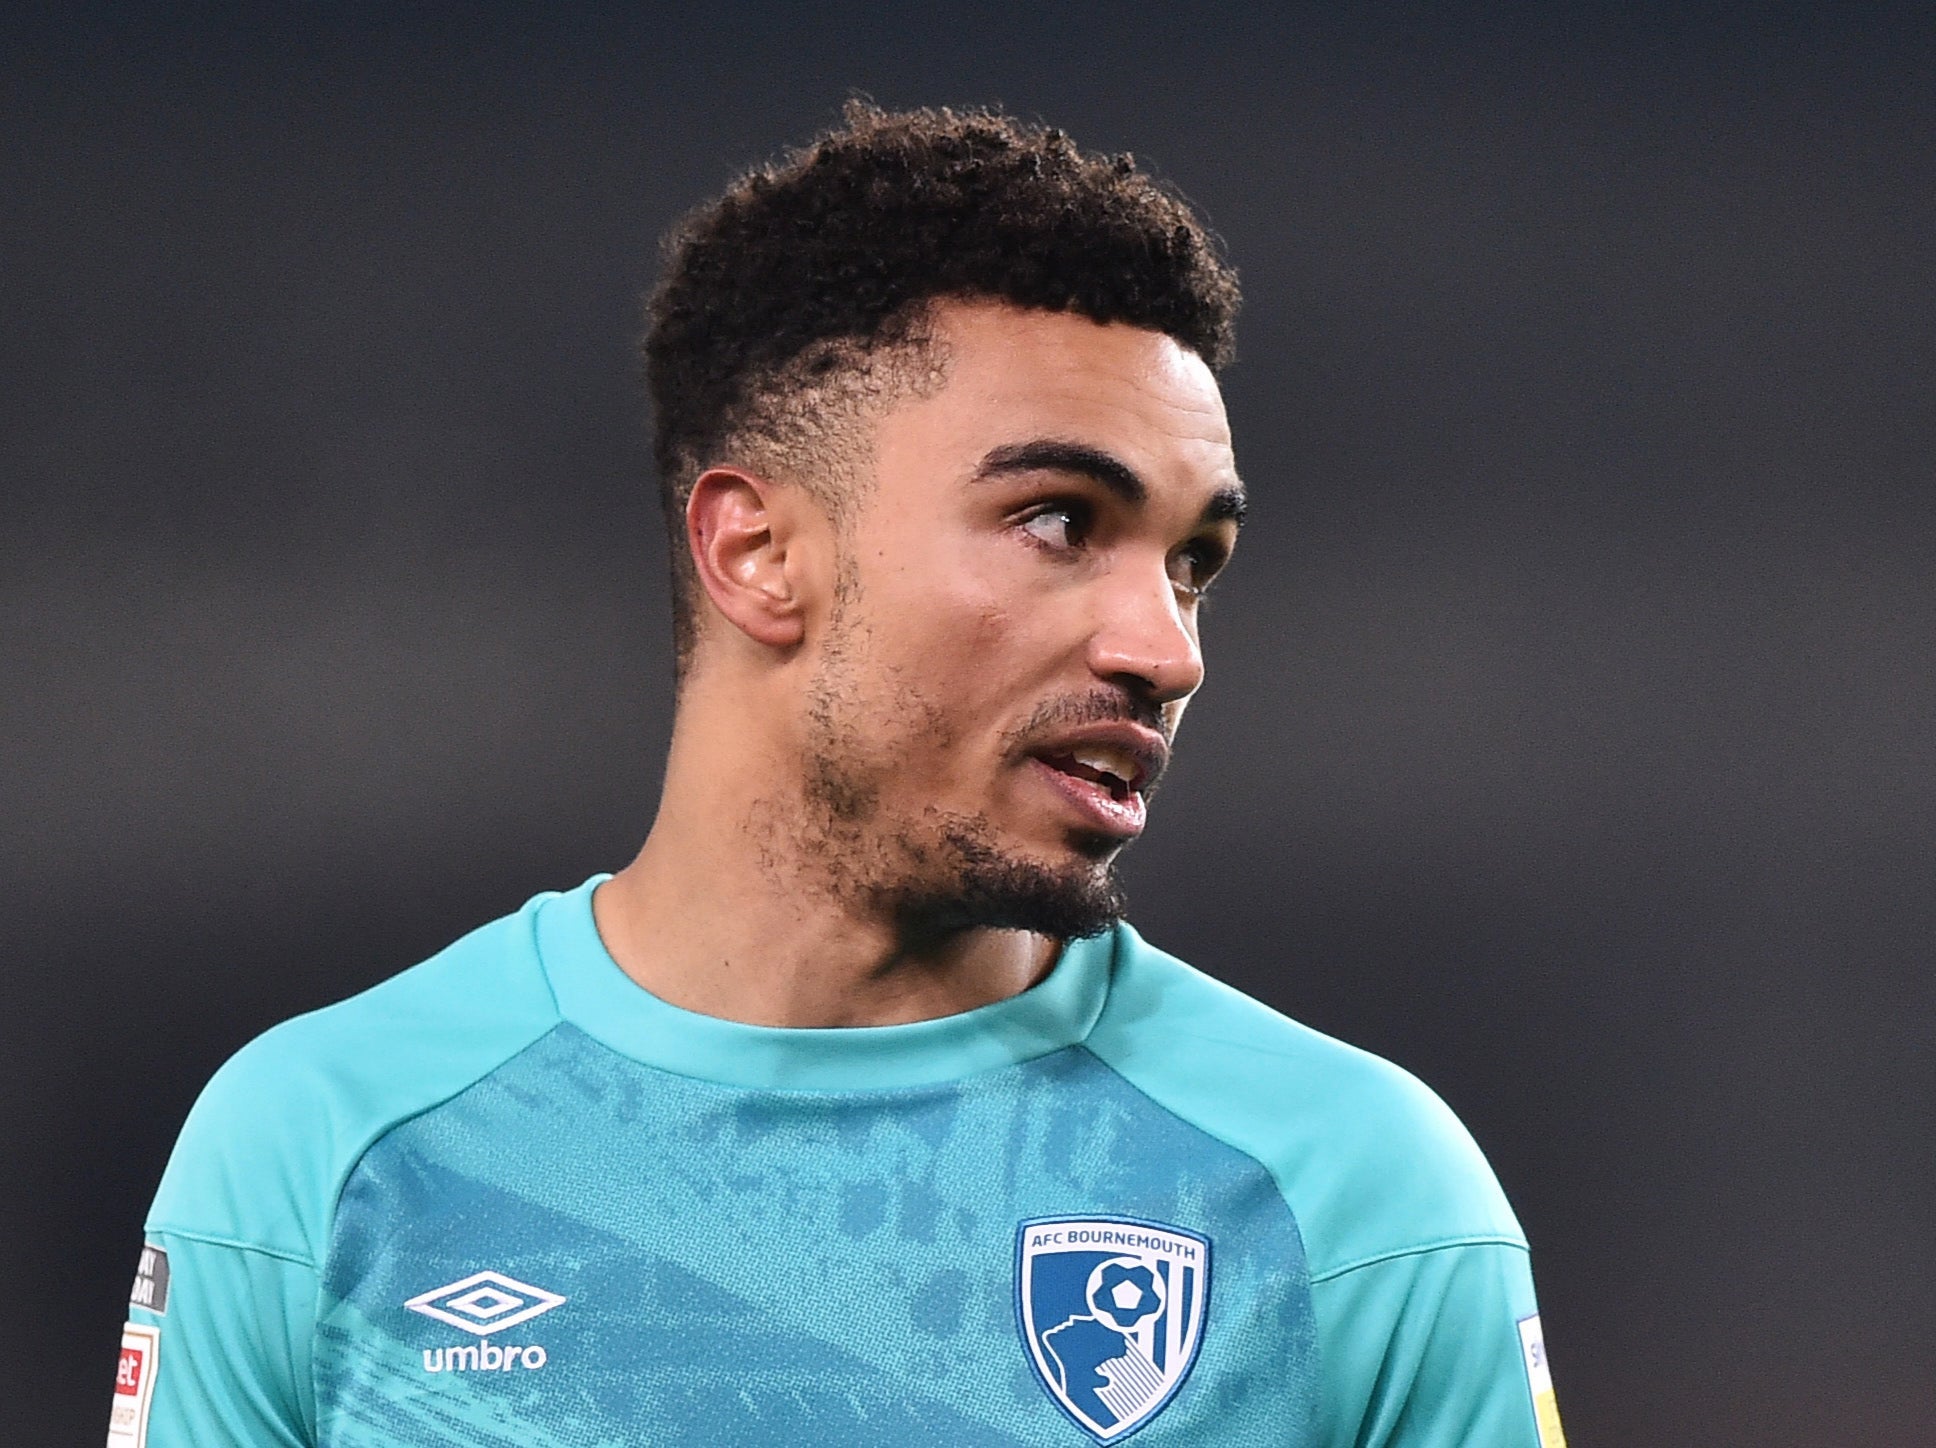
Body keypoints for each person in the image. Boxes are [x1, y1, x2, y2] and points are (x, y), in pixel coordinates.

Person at [112, 103, 1567, 1448]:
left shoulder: (1356, 1203)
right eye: (1060, 520)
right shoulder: (323, 1151)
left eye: (1196, 563)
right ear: (758, 553)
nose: (1165, 648)